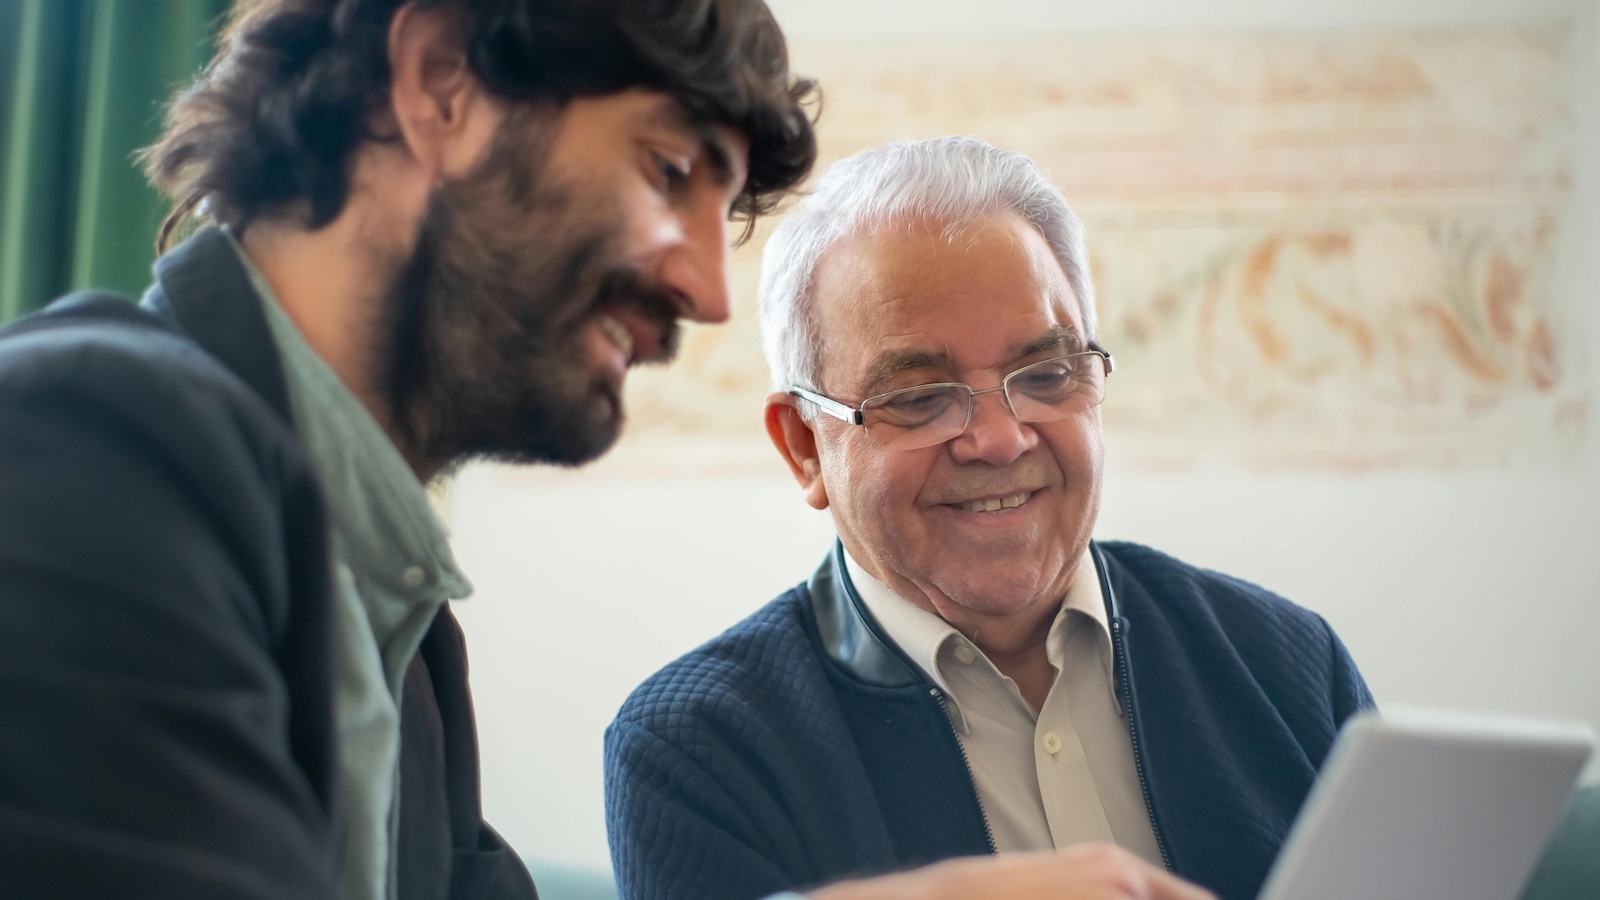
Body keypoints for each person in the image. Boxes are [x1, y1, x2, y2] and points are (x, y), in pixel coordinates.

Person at [0, 1, 1210, 899]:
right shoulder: (86, 447)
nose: (703, 288)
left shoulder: (405, 639)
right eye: (667, 170)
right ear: (437, 87)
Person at [604, 137, 1376, 900]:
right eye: (918, 397)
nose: (1001, 438)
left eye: (1045, 375)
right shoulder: (696, 751)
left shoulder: (1287, 663)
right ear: (805, 446)